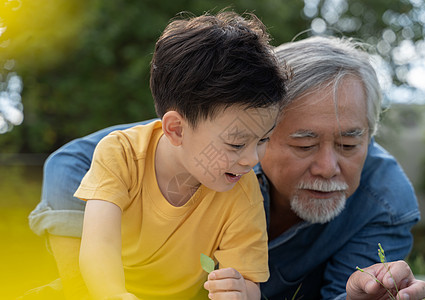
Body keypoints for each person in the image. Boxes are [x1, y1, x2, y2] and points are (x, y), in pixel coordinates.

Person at [28, 35, 425, 300]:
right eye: (303, 143)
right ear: (261, 122)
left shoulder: (385, 204)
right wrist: (90, 284)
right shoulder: (211, 152)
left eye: (349, 143)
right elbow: (72, 161)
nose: (328, 166)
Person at [30, 11, 288, 300]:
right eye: (236, 144)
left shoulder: (242, 190)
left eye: (263, 139)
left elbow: (250, 284)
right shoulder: (121, 153)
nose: (252, 159)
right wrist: (115, 294)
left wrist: (242, 292)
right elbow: (97, 248)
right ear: (176, 130)